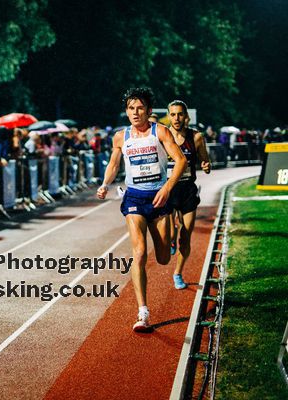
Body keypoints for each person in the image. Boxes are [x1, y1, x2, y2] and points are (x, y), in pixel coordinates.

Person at [96, 87, 186, 332]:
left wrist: (167, 188)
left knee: (164, 258)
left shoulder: (161, 131)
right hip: (134, 197)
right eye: (130, 108)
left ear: (148, 110)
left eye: (140, 108)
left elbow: (181, 160)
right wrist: (105, 184)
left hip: (159, 197)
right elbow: (114, 164)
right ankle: (143, 312)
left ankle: (171, 238)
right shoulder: (120, 137)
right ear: (126, 111)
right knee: (139, 252)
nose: (135, 113)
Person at [166, 100, 211, 289]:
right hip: (168, 189)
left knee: (186, 235)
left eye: (180, 114)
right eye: (173, 114)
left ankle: (178, 273)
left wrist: (206, 166)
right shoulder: (162, 135)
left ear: (186, 116)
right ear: (169, 116)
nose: (177, 118)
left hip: (187, 190)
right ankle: (170, 240)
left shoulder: (196, 137)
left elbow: (205, 161)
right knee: (170, 233)